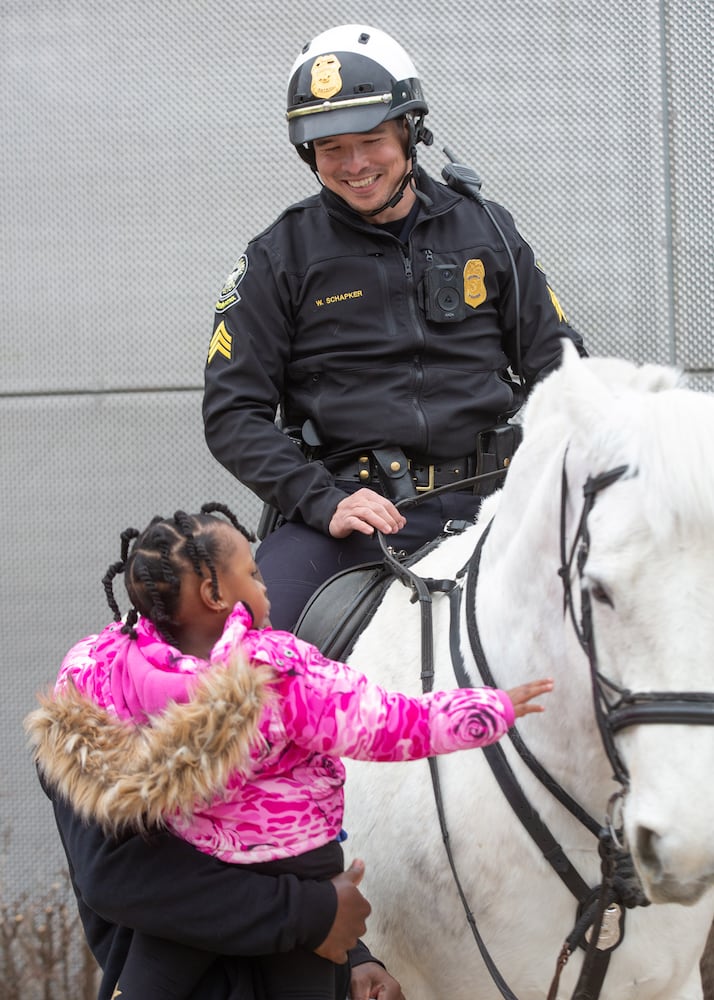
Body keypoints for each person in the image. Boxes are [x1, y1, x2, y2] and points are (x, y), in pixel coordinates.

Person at [28, 504, 553, 999]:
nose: (266, 585)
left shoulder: (106, 680)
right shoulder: (274, 672)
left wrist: (350, 948)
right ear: (215, 594)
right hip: (295, 872)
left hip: (199, 889)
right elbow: (388, 722)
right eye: (254, 575)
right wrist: (491, 708)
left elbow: (140, 880)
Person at [202, 23, 587, 631]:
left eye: (371, 139)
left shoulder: (486, 230)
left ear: (409, 132)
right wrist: (322, 500)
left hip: (500, 501)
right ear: (310, 154)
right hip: (354, 515)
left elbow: (563, 371)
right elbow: (232, 413)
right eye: (331, 149)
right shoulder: (279, 256)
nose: (355, 165)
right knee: (241, 650)